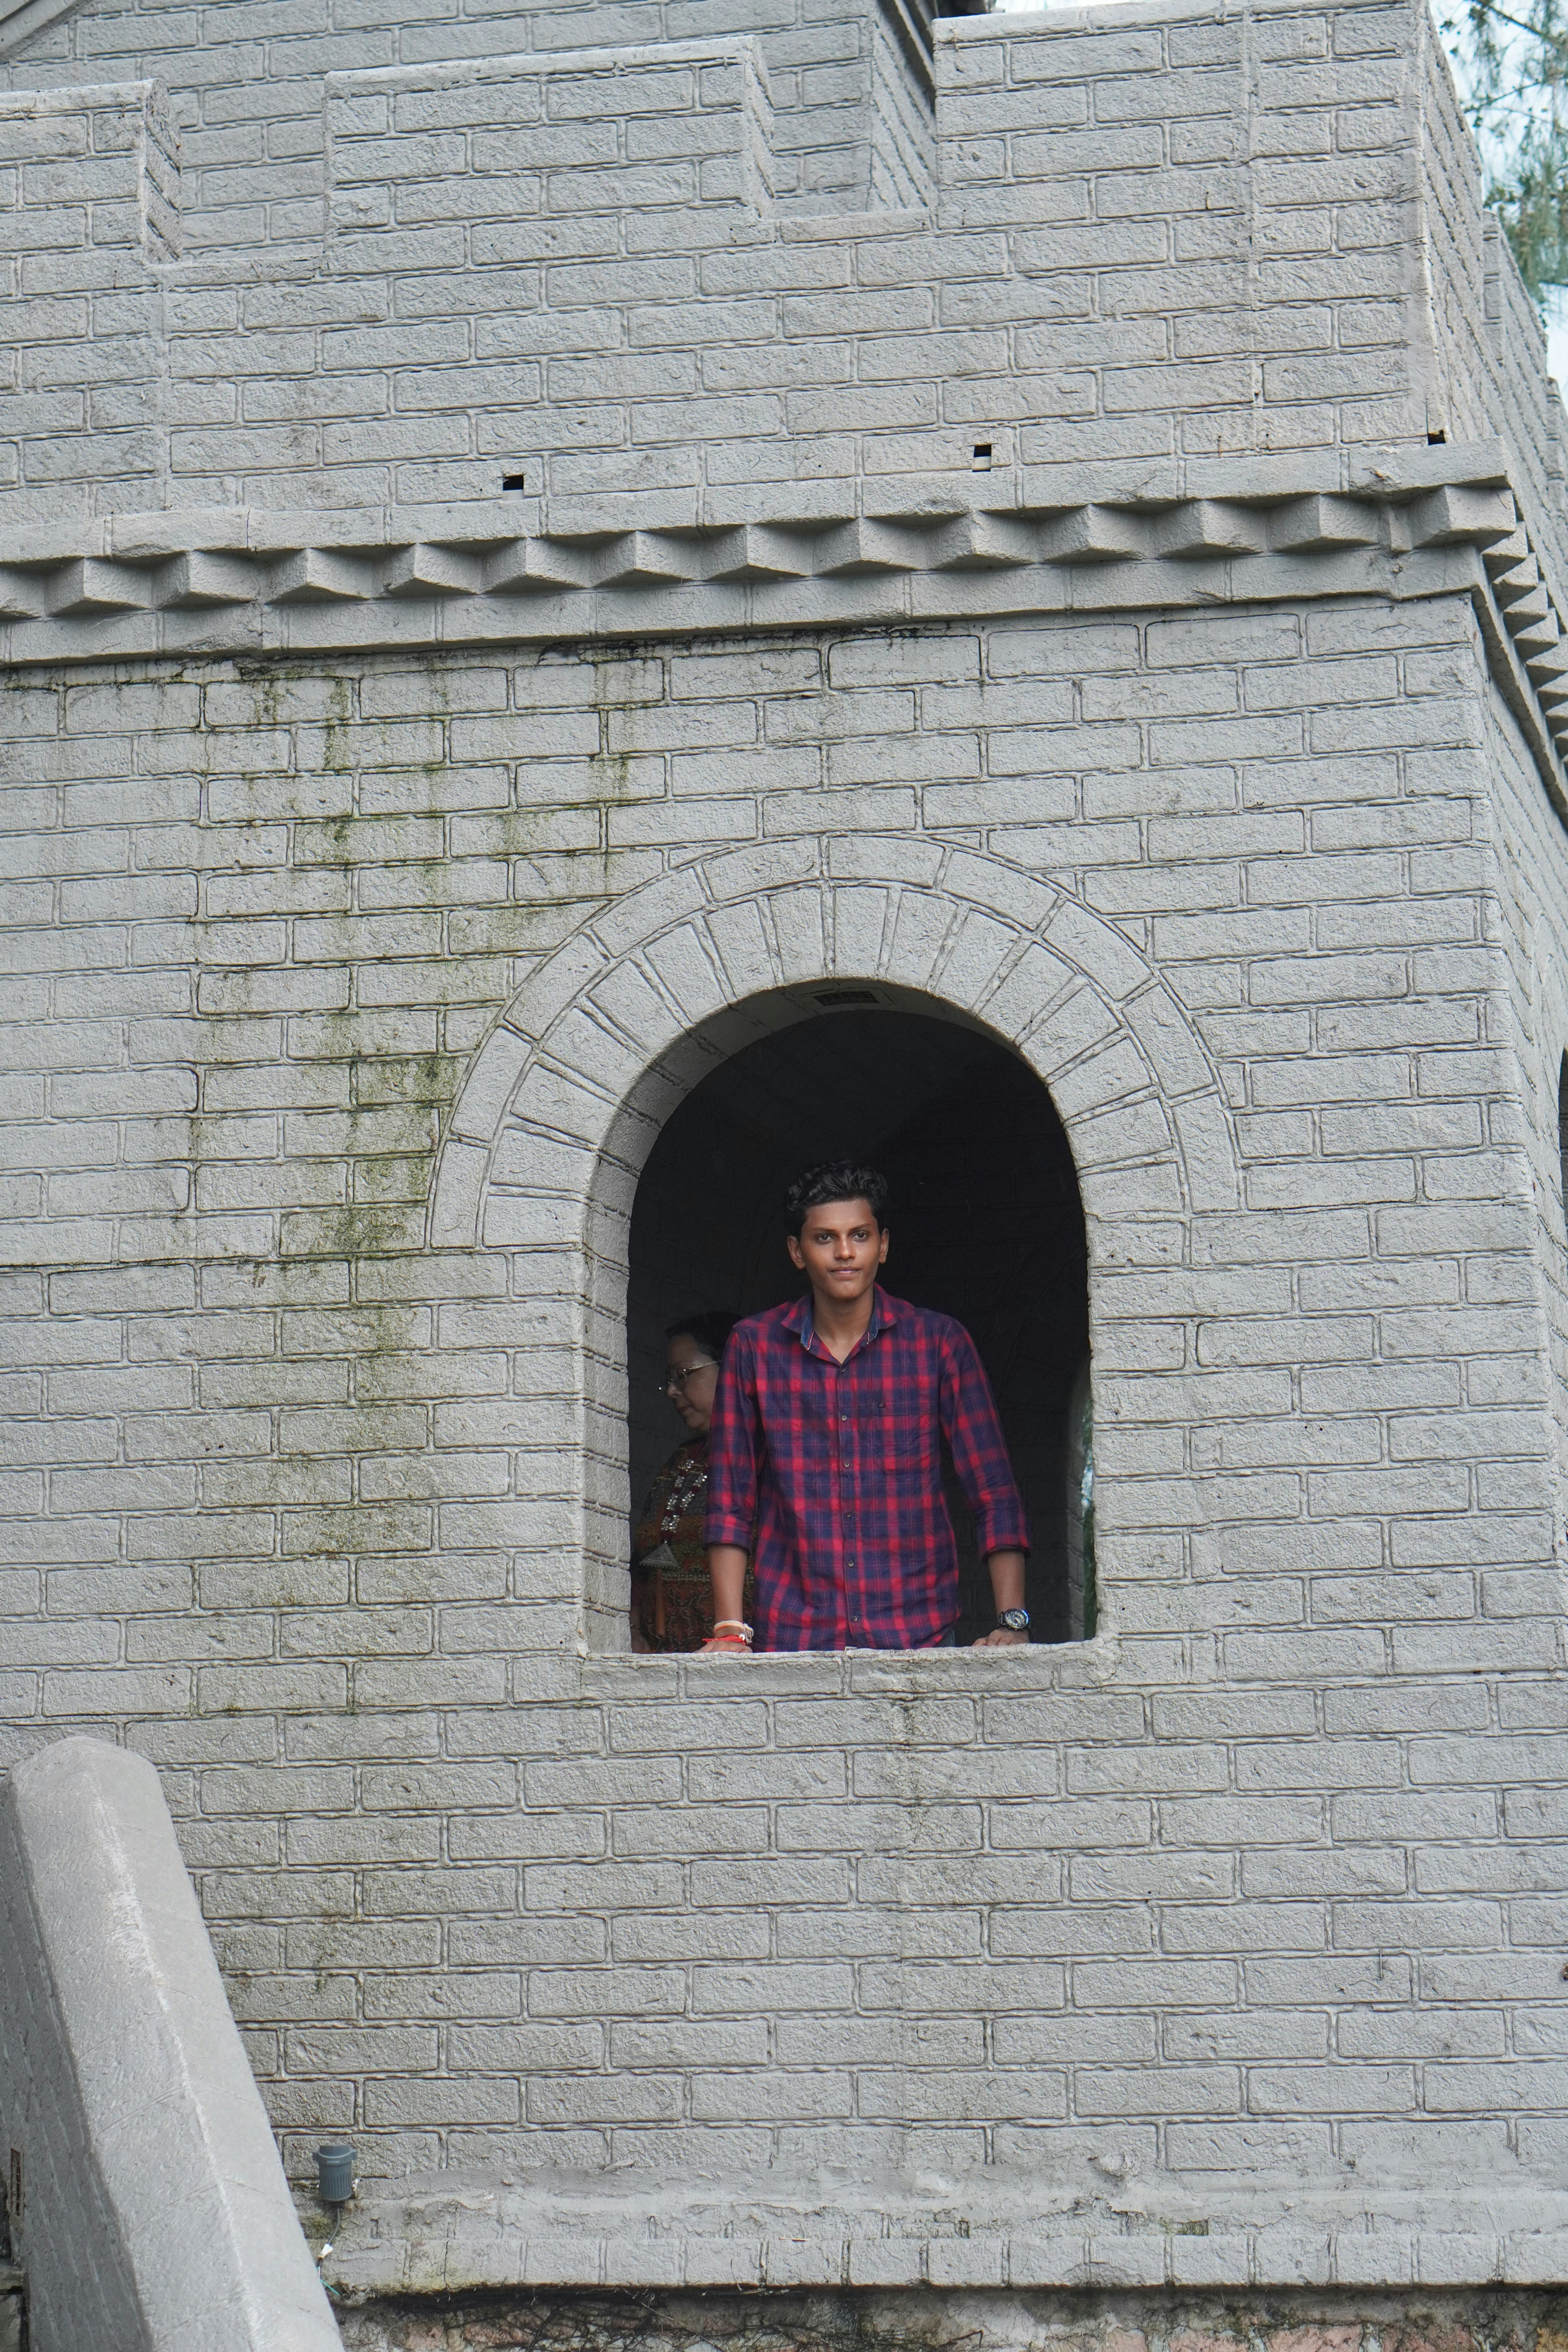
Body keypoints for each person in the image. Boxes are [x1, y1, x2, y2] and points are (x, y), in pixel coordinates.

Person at [701, 1160, 1031, 1655]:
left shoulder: (938, 1343)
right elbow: (730, 1497)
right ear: (797, 1252)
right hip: (794, 1636)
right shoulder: (754, 1347)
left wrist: (1013, 1620)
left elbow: (992, 1489)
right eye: (824, 1238)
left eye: (859, 1234)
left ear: (883, 1245)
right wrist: (729, 1629)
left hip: (918, 1634)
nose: (845, 1253)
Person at [630, 1311, 752, 1652]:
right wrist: (633, 1629)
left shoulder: (770, 1460)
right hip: (664, 1665)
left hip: (740, 1659)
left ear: (731, 1367)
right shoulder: (679, 1463)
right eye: (669, 1379)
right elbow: (642, 1563)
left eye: (683, 1376)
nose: (672, 1390)